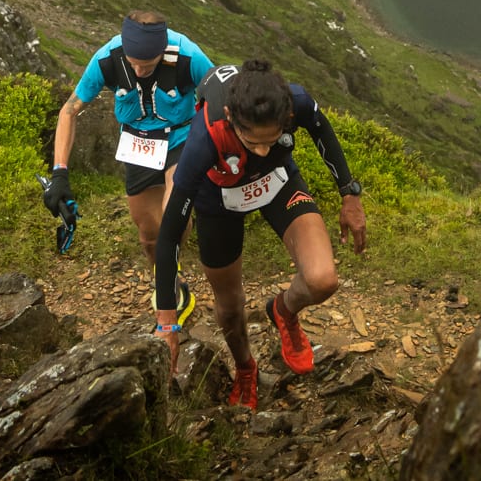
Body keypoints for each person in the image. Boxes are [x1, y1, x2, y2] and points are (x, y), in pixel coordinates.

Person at [152, 59, 367, 411]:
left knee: (323, 279)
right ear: (230, 118)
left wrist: (349, 193)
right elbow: (169, 235)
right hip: (218, 200)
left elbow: (322, 131)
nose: (263, 150)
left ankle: (283, 311)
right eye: (253, 142)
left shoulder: (294, 101)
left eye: (273, 140)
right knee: (229, 306)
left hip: (278, 183)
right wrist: (166, 322)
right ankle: (245, 368)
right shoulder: (205, 138)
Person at [46, 9, 215, 328]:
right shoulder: (107, 59)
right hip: (138, 144)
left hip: (181, 138)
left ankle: (170, 289)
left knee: (173, 216)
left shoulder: (188, 55)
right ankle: (167, 273)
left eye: (147, 65)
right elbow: (69, 111)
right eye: (133, 64)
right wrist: (60, 173)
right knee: (148, 235)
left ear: (161, 51)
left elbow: (220, 96)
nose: (139, 71)